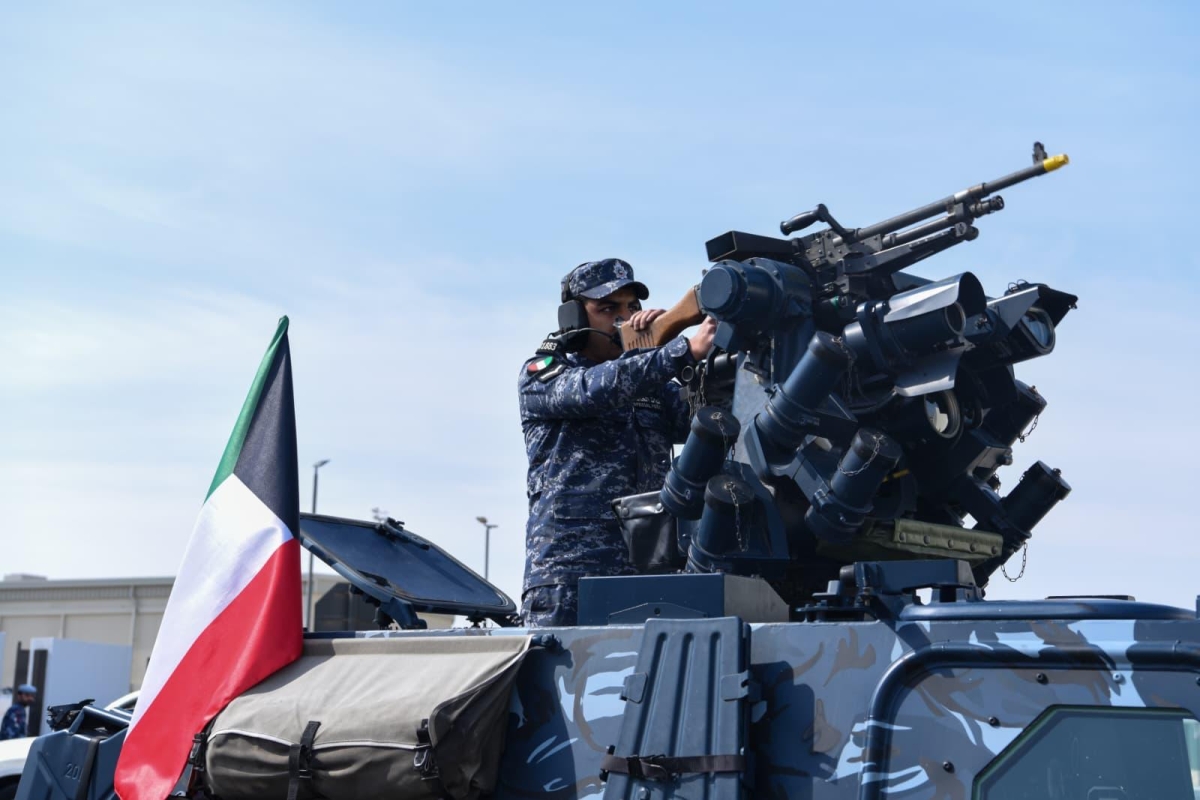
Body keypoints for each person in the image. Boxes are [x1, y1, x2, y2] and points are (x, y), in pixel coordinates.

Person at [518, 258, 716, 627]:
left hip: (649, 572)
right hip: (572, 576)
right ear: (574, 317)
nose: (624, 318)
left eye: (631, 307)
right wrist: (677, 352)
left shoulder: (652, 379)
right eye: (608, 309)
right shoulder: (544, 374)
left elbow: (701, 419)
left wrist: (715, 350)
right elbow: (595, 390)